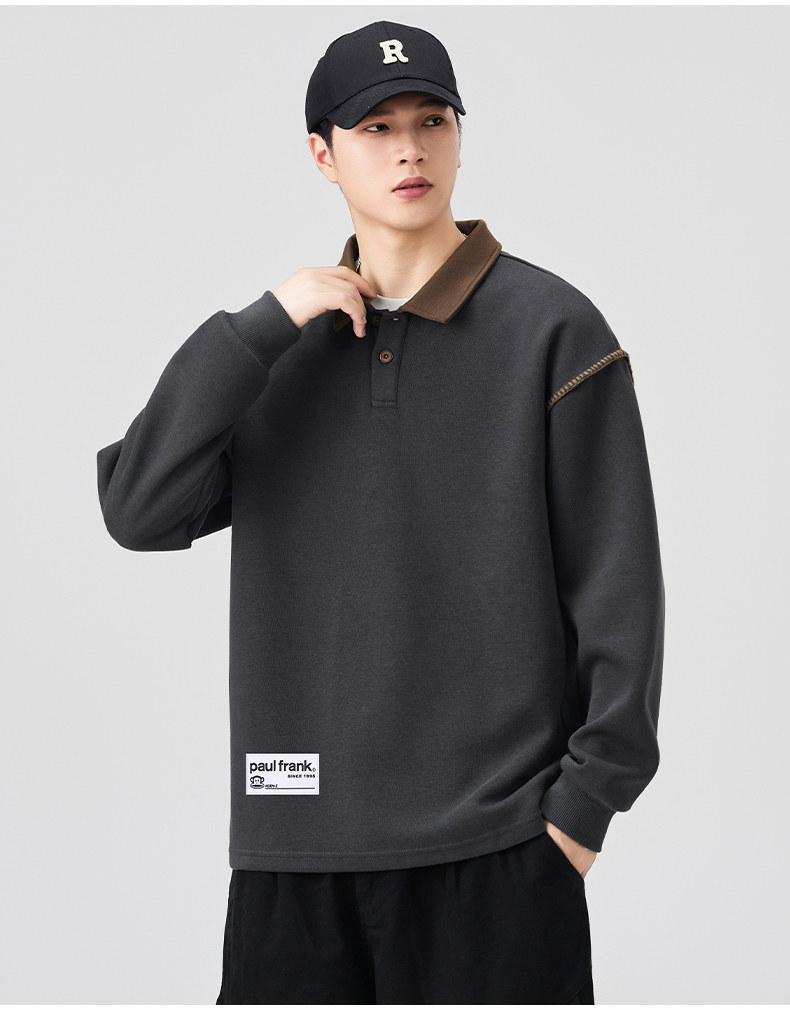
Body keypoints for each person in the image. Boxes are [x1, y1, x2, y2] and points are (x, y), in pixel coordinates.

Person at [96, 20, 664, 1004]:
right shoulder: (278, 356)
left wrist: (581, 811)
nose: (410, 150)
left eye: (432, 121)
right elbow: (137, 509)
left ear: (459, 139)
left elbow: (617, 589)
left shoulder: (554, 331)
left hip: (499, 850)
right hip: (293, 846)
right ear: (323, 154)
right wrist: (261, 325)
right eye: (376, 127)